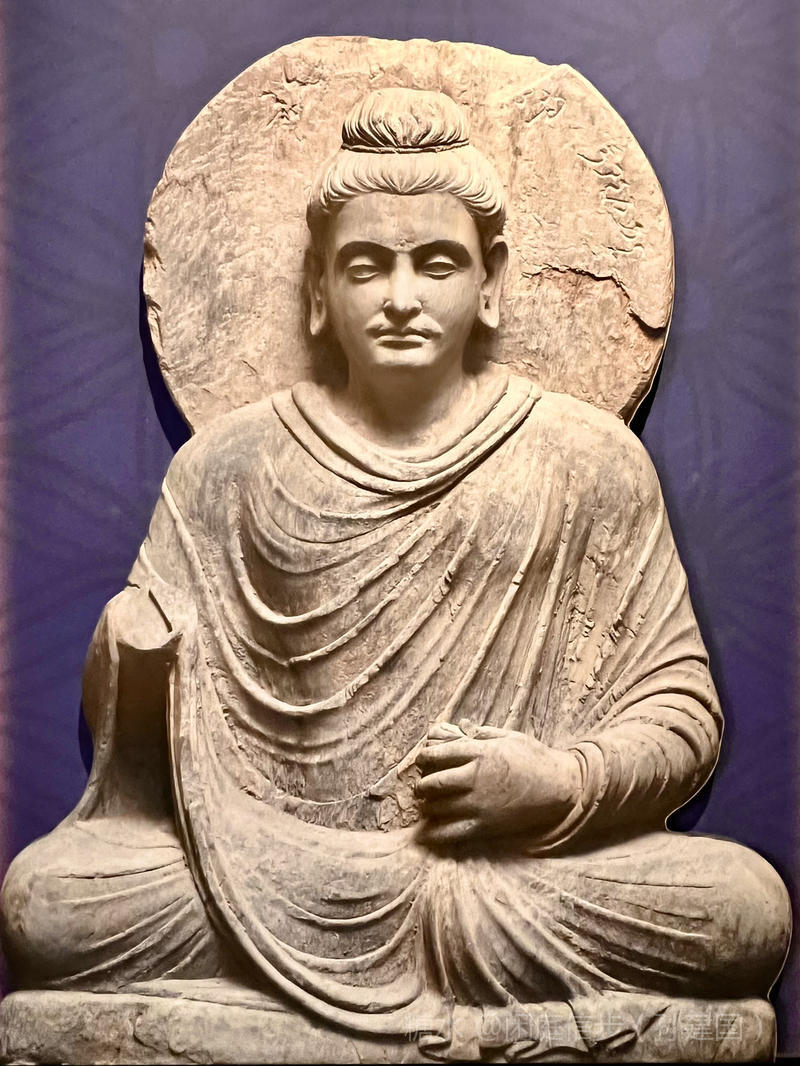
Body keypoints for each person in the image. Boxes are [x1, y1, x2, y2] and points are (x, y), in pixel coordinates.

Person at [1, 88, 790, 1057]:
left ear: (491, 280)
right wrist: (133, 654)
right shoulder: (225, 466)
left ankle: (280, 1027)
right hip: (267, 868)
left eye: (437, 262)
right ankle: (497, 1029)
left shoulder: (586, 460)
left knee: (741, 909)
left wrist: (556, 783)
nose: (402, 296)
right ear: (318, 287)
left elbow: (679, 712)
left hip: (493, 880)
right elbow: (130, 727)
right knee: (50, 904)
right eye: (366, 265)